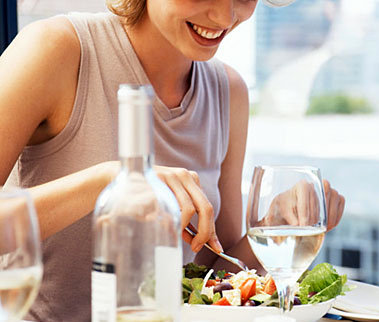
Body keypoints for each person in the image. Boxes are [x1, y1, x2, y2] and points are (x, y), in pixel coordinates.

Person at [0, 0, 345, 321]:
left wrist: (274, 225)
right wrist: (115, 180)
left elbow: (216, 270)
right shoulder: (55, 49)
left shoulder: (229, 91)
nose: (225, 17)